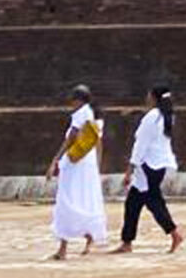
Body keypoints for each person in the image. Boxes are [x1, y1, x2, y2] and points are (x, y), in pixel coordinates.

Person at [115, 86, 184, 255]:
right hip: (159, 165)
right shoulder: (167, 116)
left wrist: (129, 170)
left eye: (149, 95)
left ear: (154, 98)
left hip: (147, 166)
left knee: (153, 202)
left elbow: (140, 145)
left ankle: (174, 233)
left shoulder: (152, 117)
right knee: (133, 203)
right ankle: (127, 241)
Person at [49, 84, 108, 260]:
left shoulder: (81, 113)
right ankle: (88, 237)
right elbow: (99, 144)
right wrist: (98, 164)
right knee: (85, 199)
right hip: (88, 165)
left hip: (75, 164)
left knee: (66, 200)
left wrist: (56, 159)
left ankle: (63, 248)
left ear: (78, 100)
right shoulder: (95, 117)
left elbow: (71, 137)